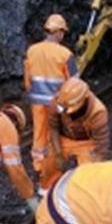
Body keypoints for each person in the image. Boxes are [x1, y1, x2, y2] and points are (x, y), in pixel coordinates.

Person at [23, 13, 79, 177]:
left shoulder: (32, 50)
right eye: (63, 32)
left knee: (39, 133)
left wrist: (32, 93)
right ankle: (54, 165)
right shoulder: (65, 54)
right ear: (59, 32)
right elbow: (74, 82)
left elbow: (27, 79)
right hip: (57, 103)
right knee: (56, 133)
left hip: (37, 101)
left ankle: (39, 165)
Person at [40, 77, 111, 190]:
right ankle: (46, 189)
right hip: (64, 139)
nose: (66, 113)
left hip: (87, 142)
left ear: (83, 102)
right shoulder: (58, 102)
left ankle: (85, 192)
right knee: (49, 161)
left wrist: (95, 166)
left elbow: (101, 146)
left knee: (89, 173)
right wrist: (58, 154)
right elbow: (54, 128)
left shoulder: (98, 113)